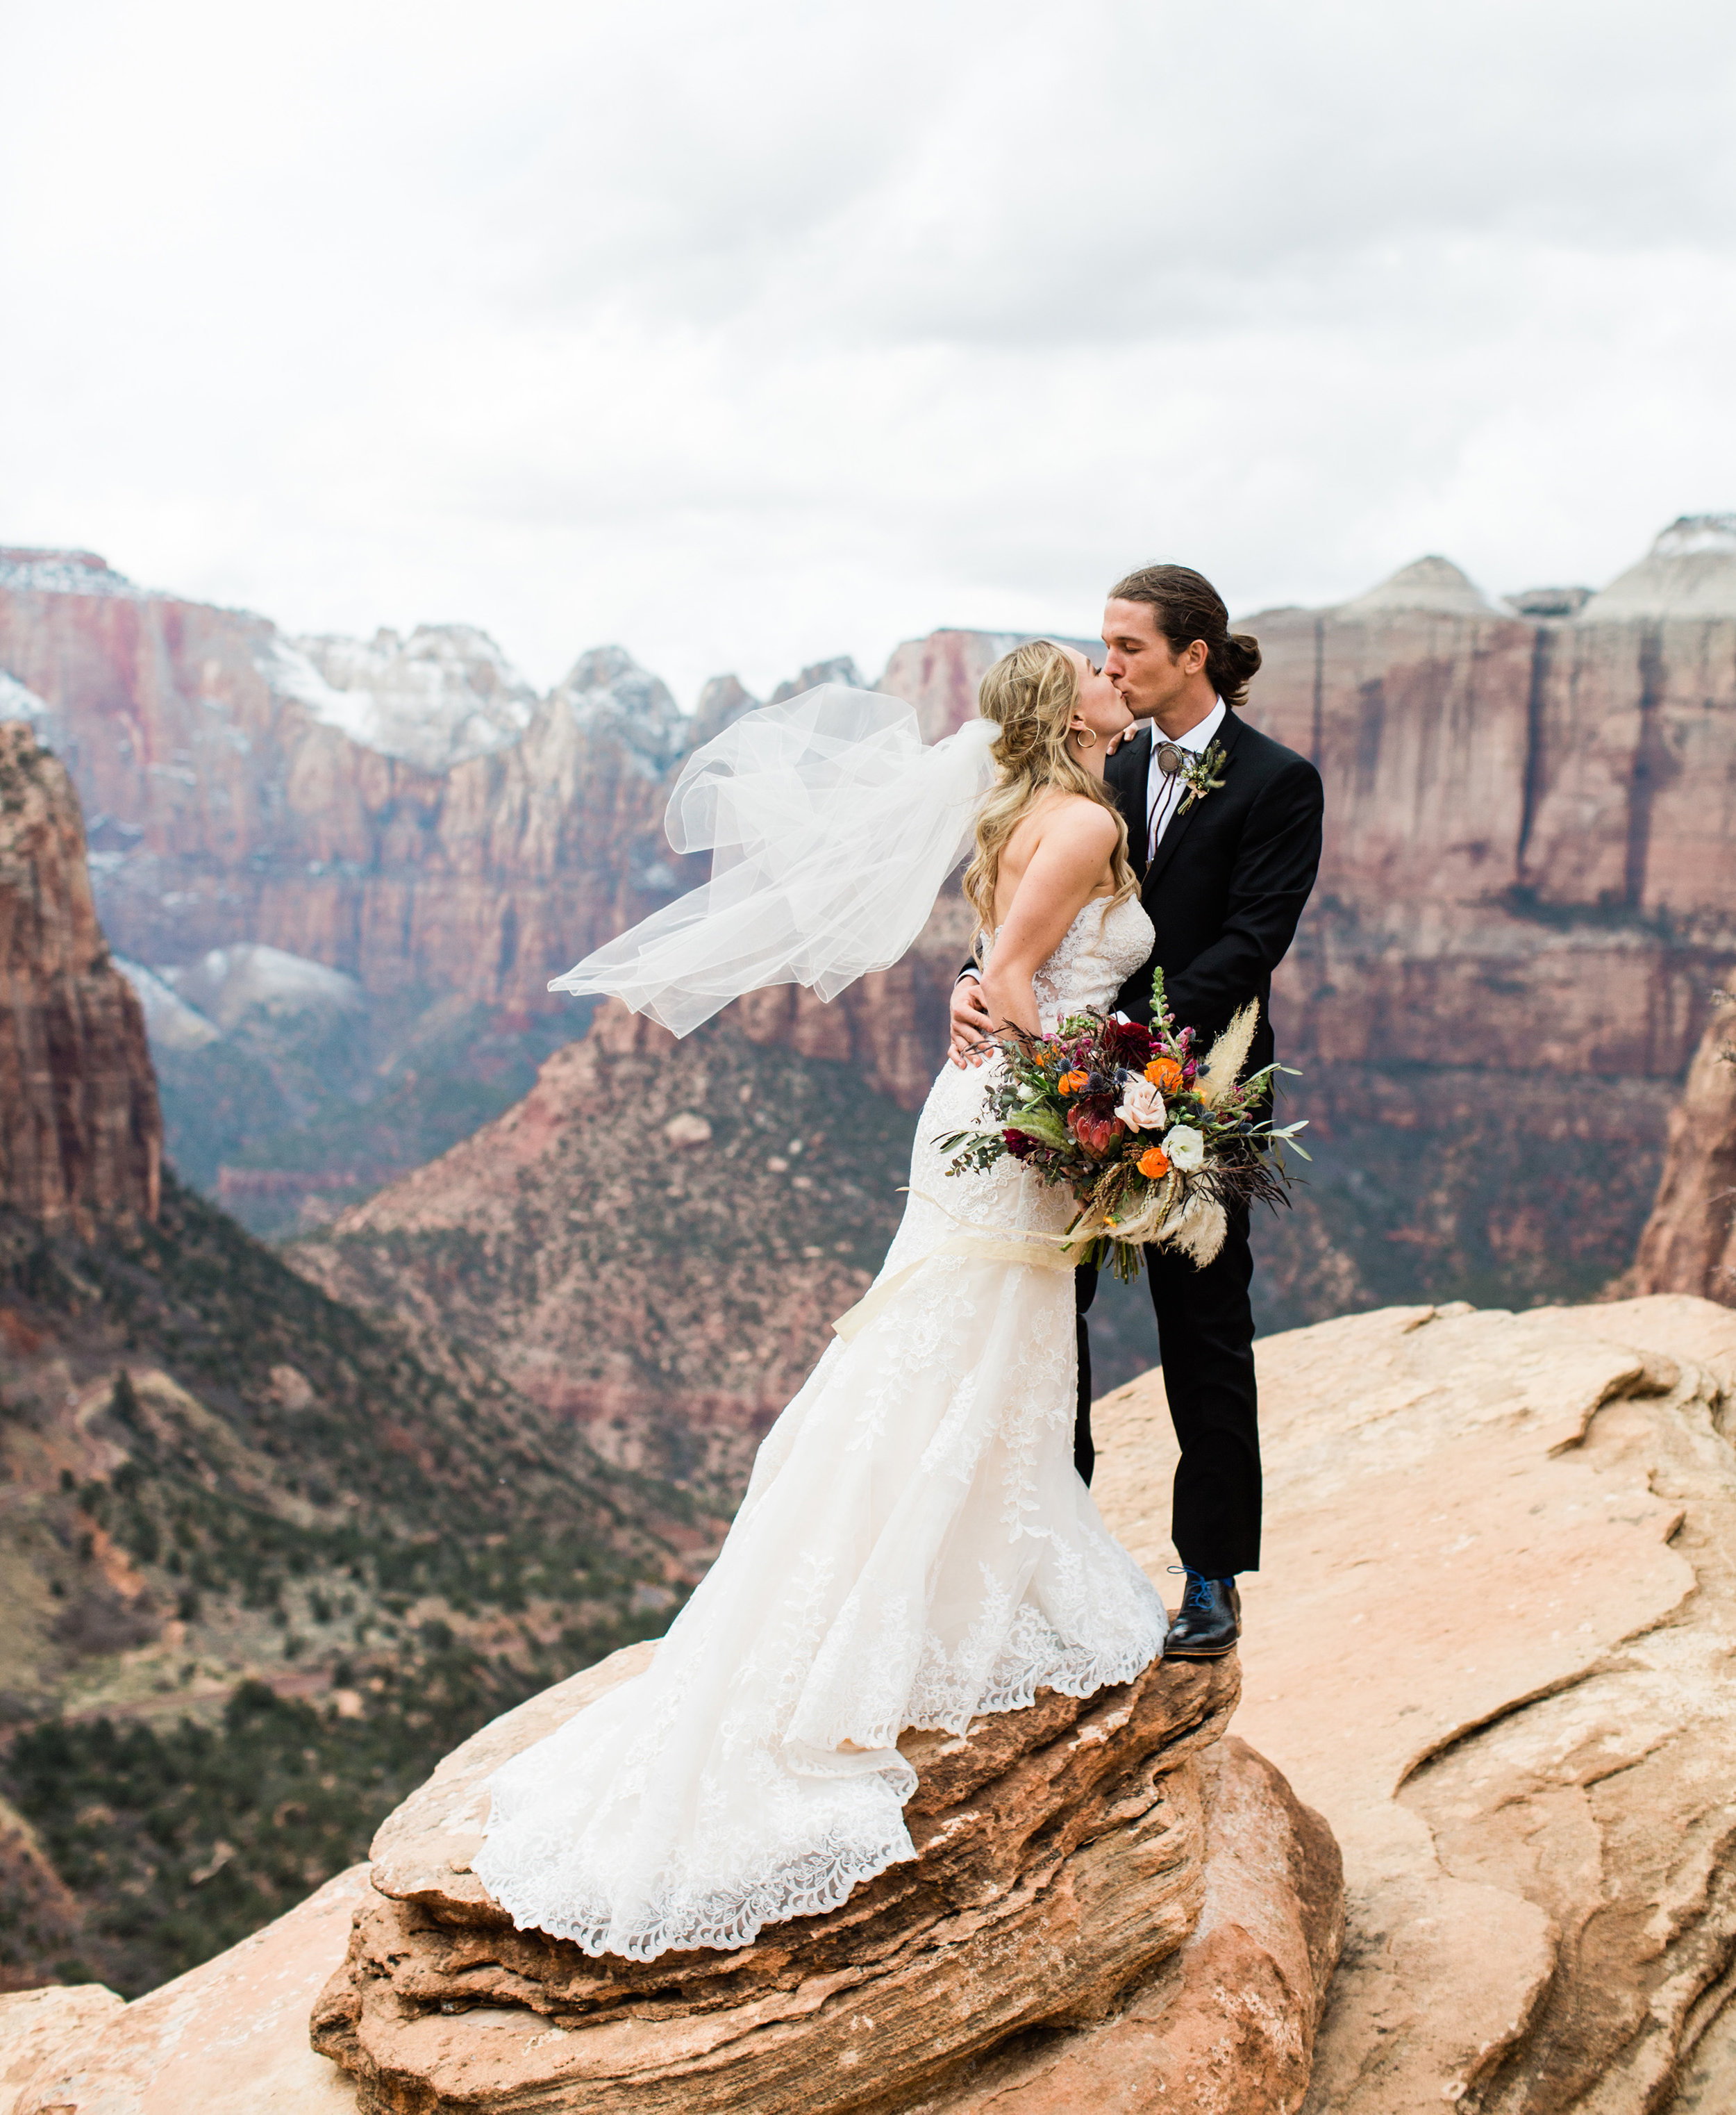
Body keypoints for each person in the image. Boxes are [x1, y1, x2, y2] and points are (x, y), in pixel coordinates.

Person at [472, 642, 1169, 1962]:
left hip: (982, 1111)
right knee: (962, 1345)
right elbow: (1016, 981)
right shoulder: (1079, 816)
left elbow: (997, 970)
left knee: (969, 1348)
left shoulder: (1036, 806)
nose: (1108, 673)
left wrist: (1032, 1055)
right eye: (1090, 667)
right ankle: (890, 1613)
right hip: (1015, 1121)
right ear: (1060, 711)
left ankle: (943, 1577)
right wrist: (1091, 1114)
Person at [951, 565, 1324, 1662]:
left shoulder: (1276, 783)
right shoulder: (1096, 763)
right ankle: (1050, 1573)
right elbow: (1036, 908)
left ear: (1193, 654)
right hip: (1057, 1084)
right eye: (1101, 650)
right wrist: (979, 977)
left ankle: (1211, 1576)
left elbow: (1251, 944)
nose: (1107, 665)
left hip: (1194, 1093)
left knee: (1205, 1332)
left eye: (1128, 648)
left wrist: (1129, 1054)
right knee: (1042, 1329)